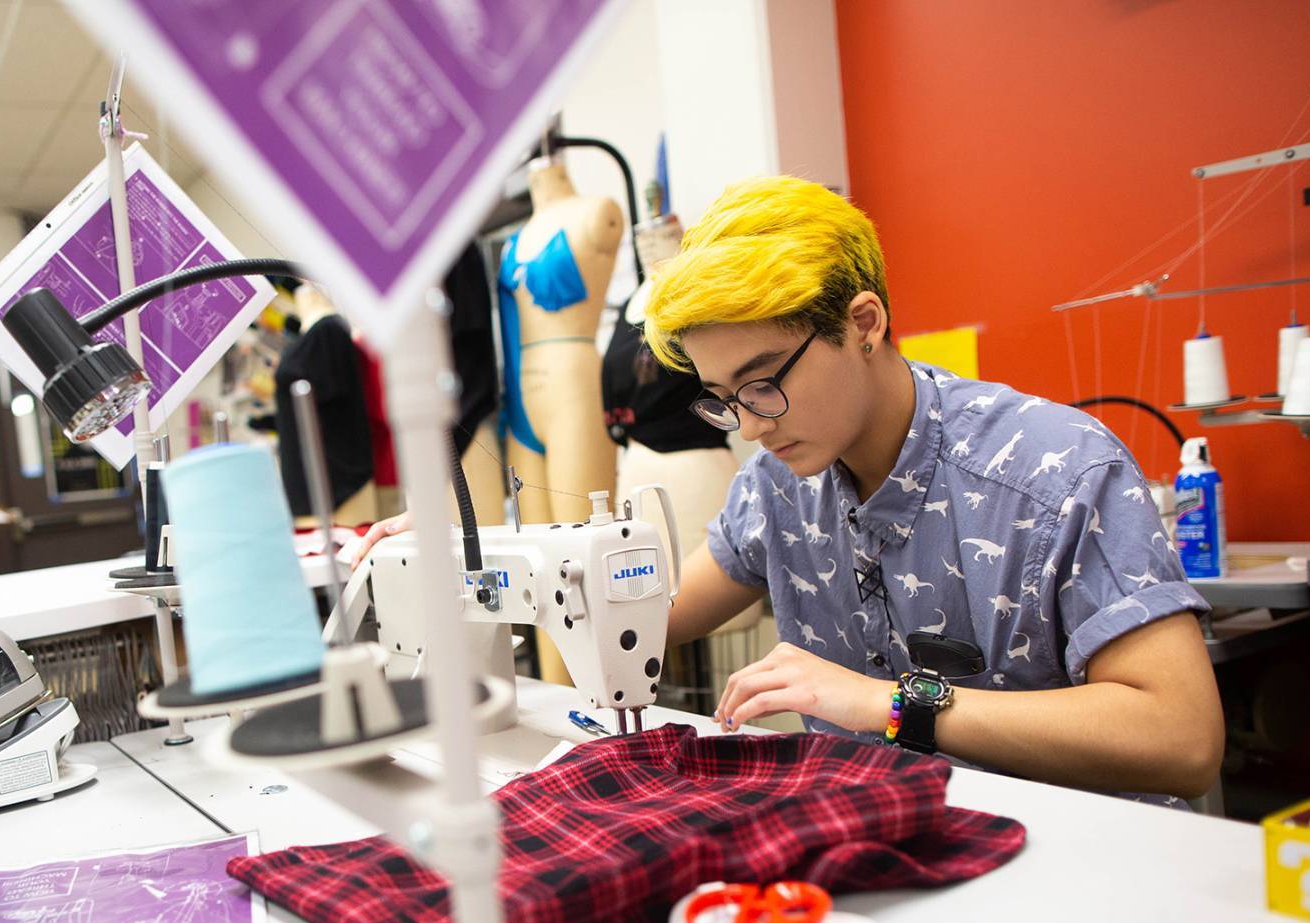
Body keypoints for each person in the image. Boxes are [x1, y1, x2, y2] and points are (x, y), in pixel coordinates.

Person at [353, 176, 1223, 803]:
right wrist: (476, 558)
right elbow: (642, 611)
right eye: (723, 399)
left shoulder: (1055, 470)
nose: (752, 424)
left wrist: (890, 704)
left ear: (864, 323)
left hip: (1083, 863)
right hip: (879, 838)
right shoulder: (778, 484)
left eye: (765, 381)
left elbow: (1182, 740)